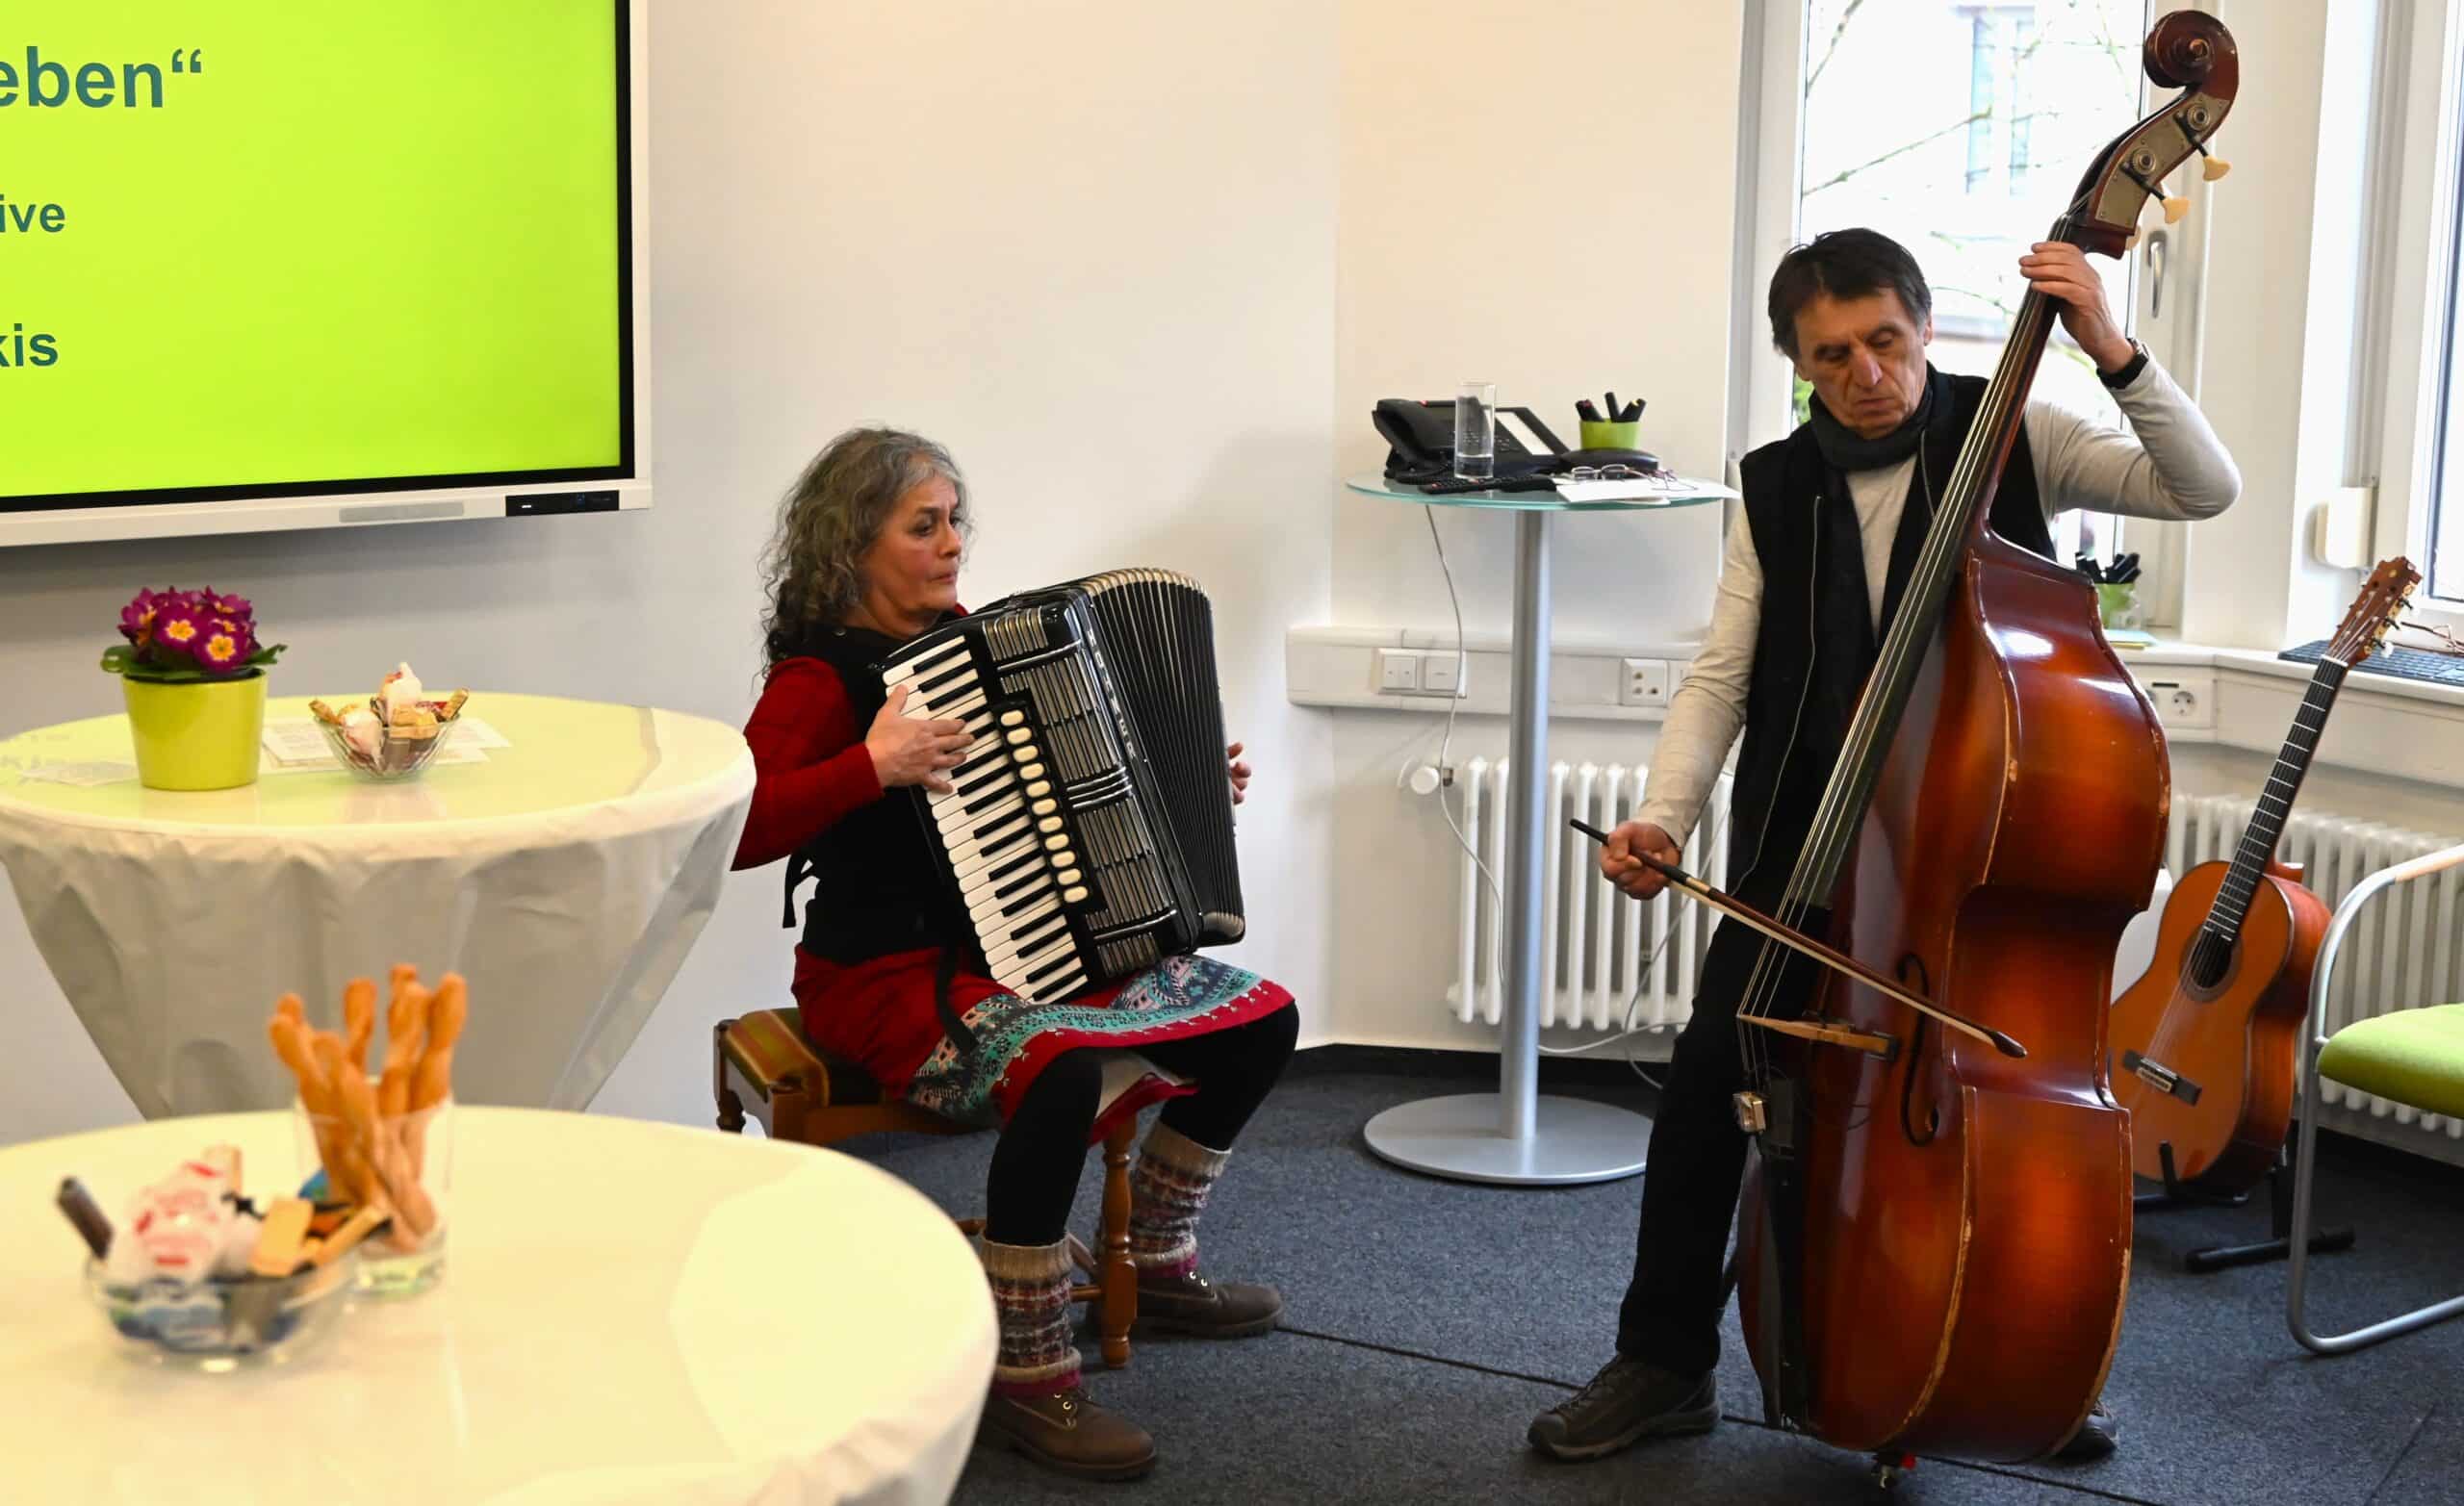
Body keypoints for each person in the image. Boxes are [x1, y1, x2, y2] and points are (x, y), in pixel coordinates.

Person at [1525, 228, 2242, 1468]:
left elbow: (2202, 489)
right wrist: (1664, 816)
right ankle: (1663, 1362)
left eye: (1884, 342)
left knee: (1991, 1120)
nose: (1863, 372)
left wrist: (2113, 347)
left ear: (1922, 327)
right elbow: (1721, 673)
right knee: (1709, 1092)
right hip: (1801, 850)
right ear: (1799, 365)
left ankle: (2007, 1356)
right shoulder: (1774, 481)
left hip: (1965, 864)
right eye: (1830, 356)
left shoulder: (2021, 427)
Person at [733, 427, 1299, 1482]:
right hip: (882, 972)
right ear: (853, 544)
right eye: (923, 525)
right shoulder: (819, 679)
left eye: (956, 520)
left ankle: (1164, 1260)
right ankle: (1028, 1370)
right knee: (1060, 1068)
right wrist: (870, 764)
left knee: (1262, 1016)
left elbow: (1071, 801)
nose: (951, 544)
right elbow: (737, 828)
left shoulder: (975, 645)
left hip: (1020, 951)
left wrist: (1184, 795)